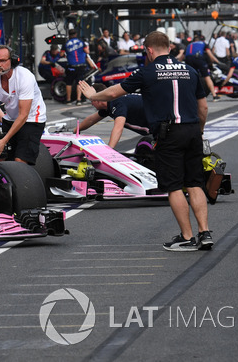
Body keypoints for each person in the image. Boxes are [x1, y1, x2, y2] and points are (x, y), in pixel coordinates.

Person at [79, 31, 213, 252]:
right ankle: (205, 232)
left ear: (149, 50)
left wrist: (93, 96)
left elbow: (114, 93)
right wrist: (198, 131)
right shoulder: (191, 71)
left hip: (168, 133)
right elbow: (204, 108)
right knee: (195, 183)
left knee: (174, 187)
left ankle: (188, 237)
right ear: (169, 48)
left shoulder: (147, 72)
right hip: (191, 130)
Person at [0, 45, 46, 164]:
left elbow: (23, 115)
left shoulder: (25, 77)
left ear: (12, 61)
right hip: (11, 118)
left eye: (2, 61)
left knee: (19, 161)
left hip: (32, 119)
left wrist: (4, 140)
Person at [78, 86, 150, 148]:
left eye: (91, 100)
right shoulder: (109, 104)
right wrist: (75, 131)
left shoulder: (117, 103)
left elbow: (118, 128)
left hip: (158, 123)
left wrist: (109, 149)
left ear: (98, 99)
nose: (91, 104)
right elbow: (91, 120)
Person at [63, 29, 97, 106]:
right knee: (79, 82)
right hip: (81, 65)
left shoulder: (65, 43)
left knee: (69, 83)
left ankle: (68, 100)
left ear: (69, 35)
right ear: (76, 34)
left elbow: (62, 54)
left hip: (71, 66)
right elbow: (87, 51)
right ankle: (78, 100)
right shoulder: (81, 42)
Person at [184, 35, 220, 101]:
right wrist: (218, 62)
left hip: (188, 59)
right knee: (207, 76)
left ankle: (189, 95)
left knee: (190, 77)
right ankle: (214, 96)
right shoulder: (203, 43)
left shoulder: (189, 45)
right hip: (198, 58)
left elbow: (183, 56)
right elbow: (210, 55)